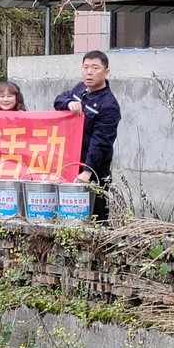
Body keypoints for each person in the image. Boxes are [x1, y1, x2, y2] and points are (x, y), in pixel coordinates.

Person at [54, 50, 121, 222]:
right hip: (71, 162)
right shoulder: (80, 89)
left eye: (95, 68)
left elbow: (101, 142)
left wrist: (87, 171)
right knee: (67, 214)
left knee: (95, 214)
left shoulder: (109, 105)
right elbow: (58, 100)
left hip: (94, 168)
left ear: (106, 72)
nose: (89, 72)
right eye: (85, 67)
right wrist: (69, 103)